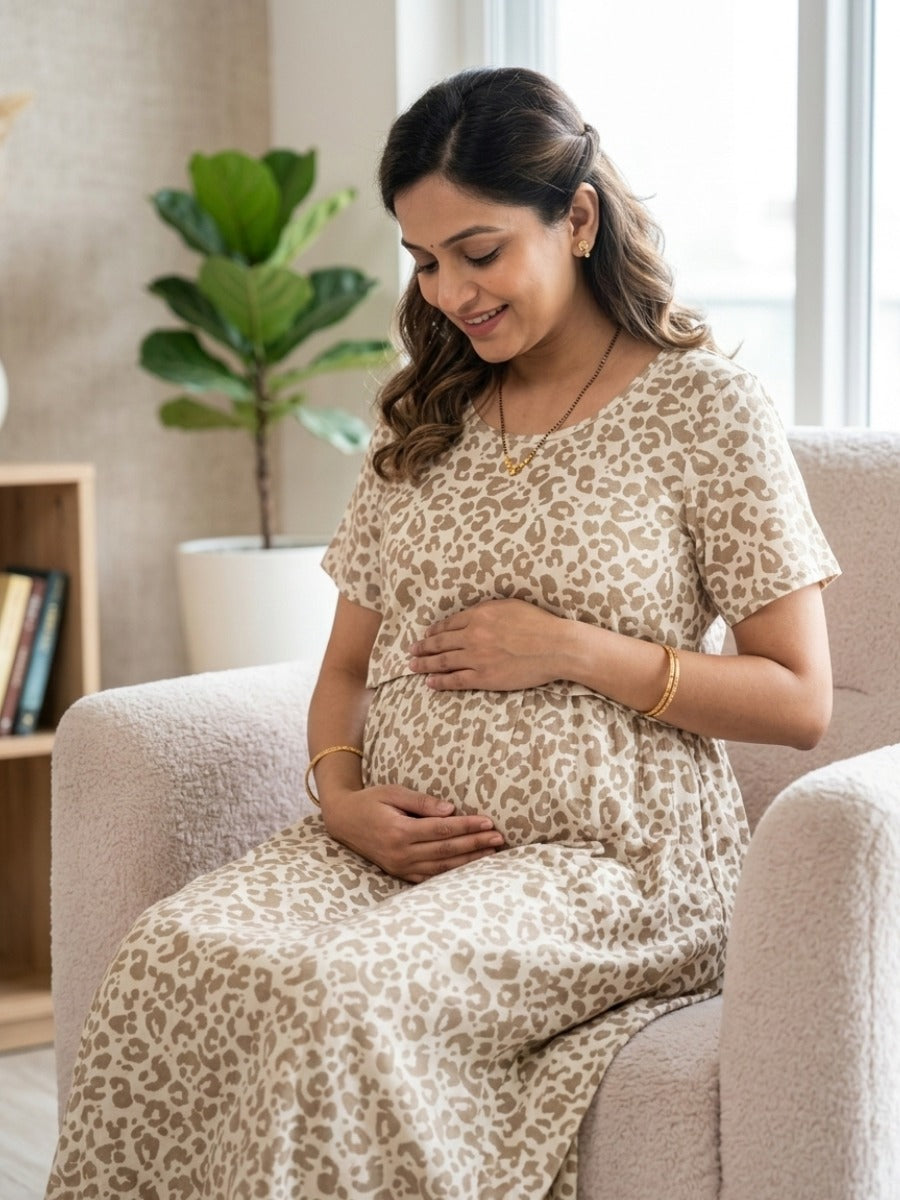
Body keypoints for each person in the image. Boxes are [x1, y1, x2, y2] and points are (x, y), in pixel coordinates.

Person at [46, 67, 839, 1200]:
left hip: (615, 865)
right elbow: (342, 669)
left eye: (479, 251)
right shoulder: (424, 411)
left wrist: (570, 648)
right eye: (423, 261)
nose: (451, 290)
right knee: (172, 961)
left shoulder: (705, 408)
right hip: (393, 851)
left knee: (350, 997)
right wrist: (343, 800)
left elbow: (800, 698)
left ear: (576, 217)